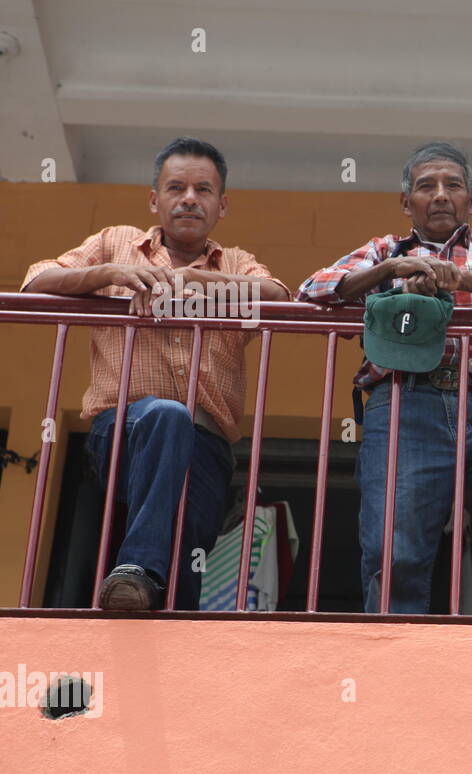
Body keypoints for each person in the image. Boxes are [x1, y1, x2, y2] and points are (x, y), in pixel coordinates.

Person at [298, 141, 472, 615]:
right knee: (393, 551)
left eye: (453, 186)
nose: (441, 195)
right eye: (427, 186)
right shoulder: (385, 249)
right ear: (407, 203)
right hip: (404, 404)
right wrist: (391, 270)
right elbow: (312, 292)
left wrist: (464, 281)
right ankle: (394, 655)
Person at [22, 137, 290, 610]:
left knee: (182, 590)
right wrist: (110, 274)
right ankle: (134, 570)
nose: (189, 198)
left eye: (203, 190)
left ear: (221, 205)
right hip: (125, 433)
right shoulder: (115, 242)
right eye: (176, 187)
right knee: (167, 415)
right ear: (154, 198)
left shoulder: (237, 263)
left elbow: (279, 296)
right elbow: (36, 279)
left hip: (206, 449)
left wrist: (199, 282)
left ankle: (142, 605)